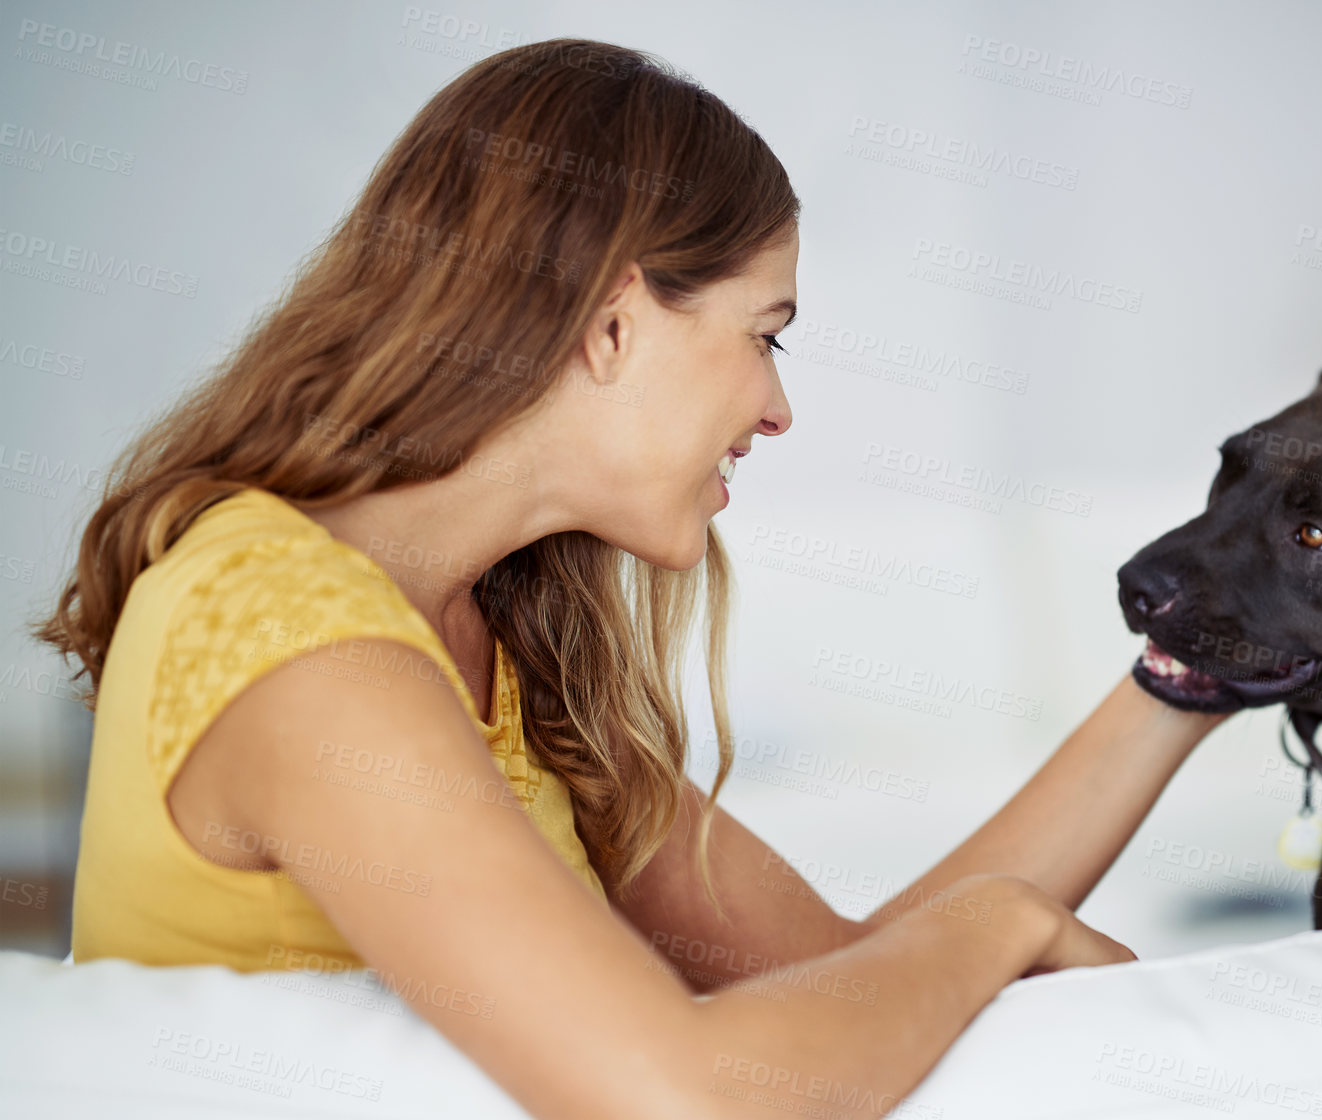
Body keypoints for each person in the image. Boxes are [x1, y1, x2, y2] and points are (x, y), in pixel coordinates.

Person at [34, 38, 1227, 1119]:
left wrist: (1192, 666)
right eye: (765, 333)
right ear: (612, 324)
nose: (776, 407)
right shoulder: (290, 635)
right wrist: (997, 925)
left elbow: (839, 975)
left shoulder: (493, 644)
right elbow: (684, 1101)